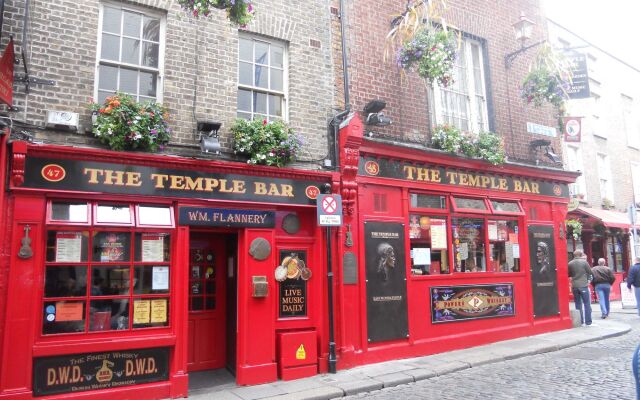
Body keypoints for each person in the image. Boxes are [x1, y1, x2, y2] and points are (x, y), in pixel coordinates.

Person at [568, 250, 593, 326]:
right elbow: (590, 272)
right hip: (583, 285)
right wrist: (588, 279)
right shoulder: (584, 262)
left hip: (575, 286)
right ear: (581, 254)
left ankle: (580, 321)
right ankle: (588, 322)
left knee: (578, 304)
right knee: (587, 304)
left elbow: (569, 274)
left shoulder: (570, 263)